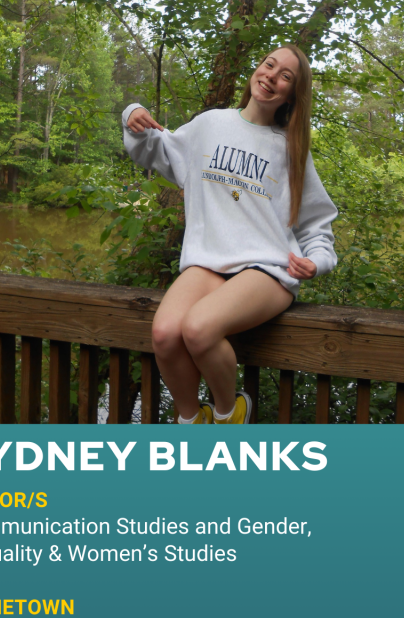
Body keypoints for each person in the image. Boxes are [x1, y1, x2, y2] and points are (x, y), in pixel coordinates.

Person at [122, 45, 338, 424]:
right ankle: (191, 421)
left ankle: (228, 414)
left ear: (291, 93)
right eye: (269, 65)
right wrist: (132, 115)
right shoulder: (210, 125)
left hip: (267, 269)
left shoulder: (291, 149)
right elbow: (154, 148)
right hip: (208, 261)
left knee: (199, 327)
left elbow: (317, 224)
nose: (272, 76)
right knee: (165, 332)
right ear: (257, 69)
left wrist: (316, 262)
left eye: (285, 75)